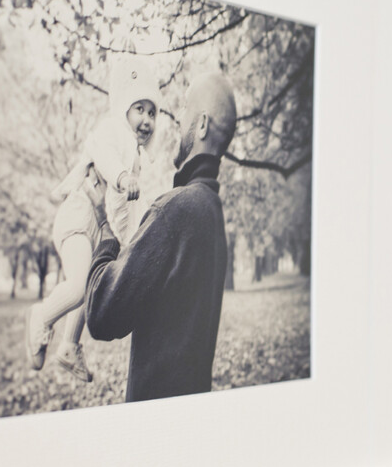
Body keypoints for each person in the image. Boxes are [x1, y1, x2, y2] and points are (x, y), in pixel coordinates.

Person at [83, 72, 237, 402]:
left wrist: (105, 226)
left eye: (183, 113)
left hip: (153, 414)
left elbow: (100, 313)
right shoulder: (212, 210)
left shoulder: (175, 211)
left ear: (202, 126)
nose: (176, 123)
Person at [24, 55, 162, 381]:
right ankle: (40, 316)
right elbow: (102, 153)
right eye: (139, 109)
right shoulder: (112, 129)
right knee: (76, 287)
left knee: (94, 285)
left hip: (97, 227)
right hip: (77, 216)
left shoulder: (138, 158)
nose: (147, 119)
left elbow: (126, 211)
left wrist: (129, 242)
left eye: (153, 112)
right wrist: (121, 177)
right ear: (124, 108)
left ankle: (69, 346)